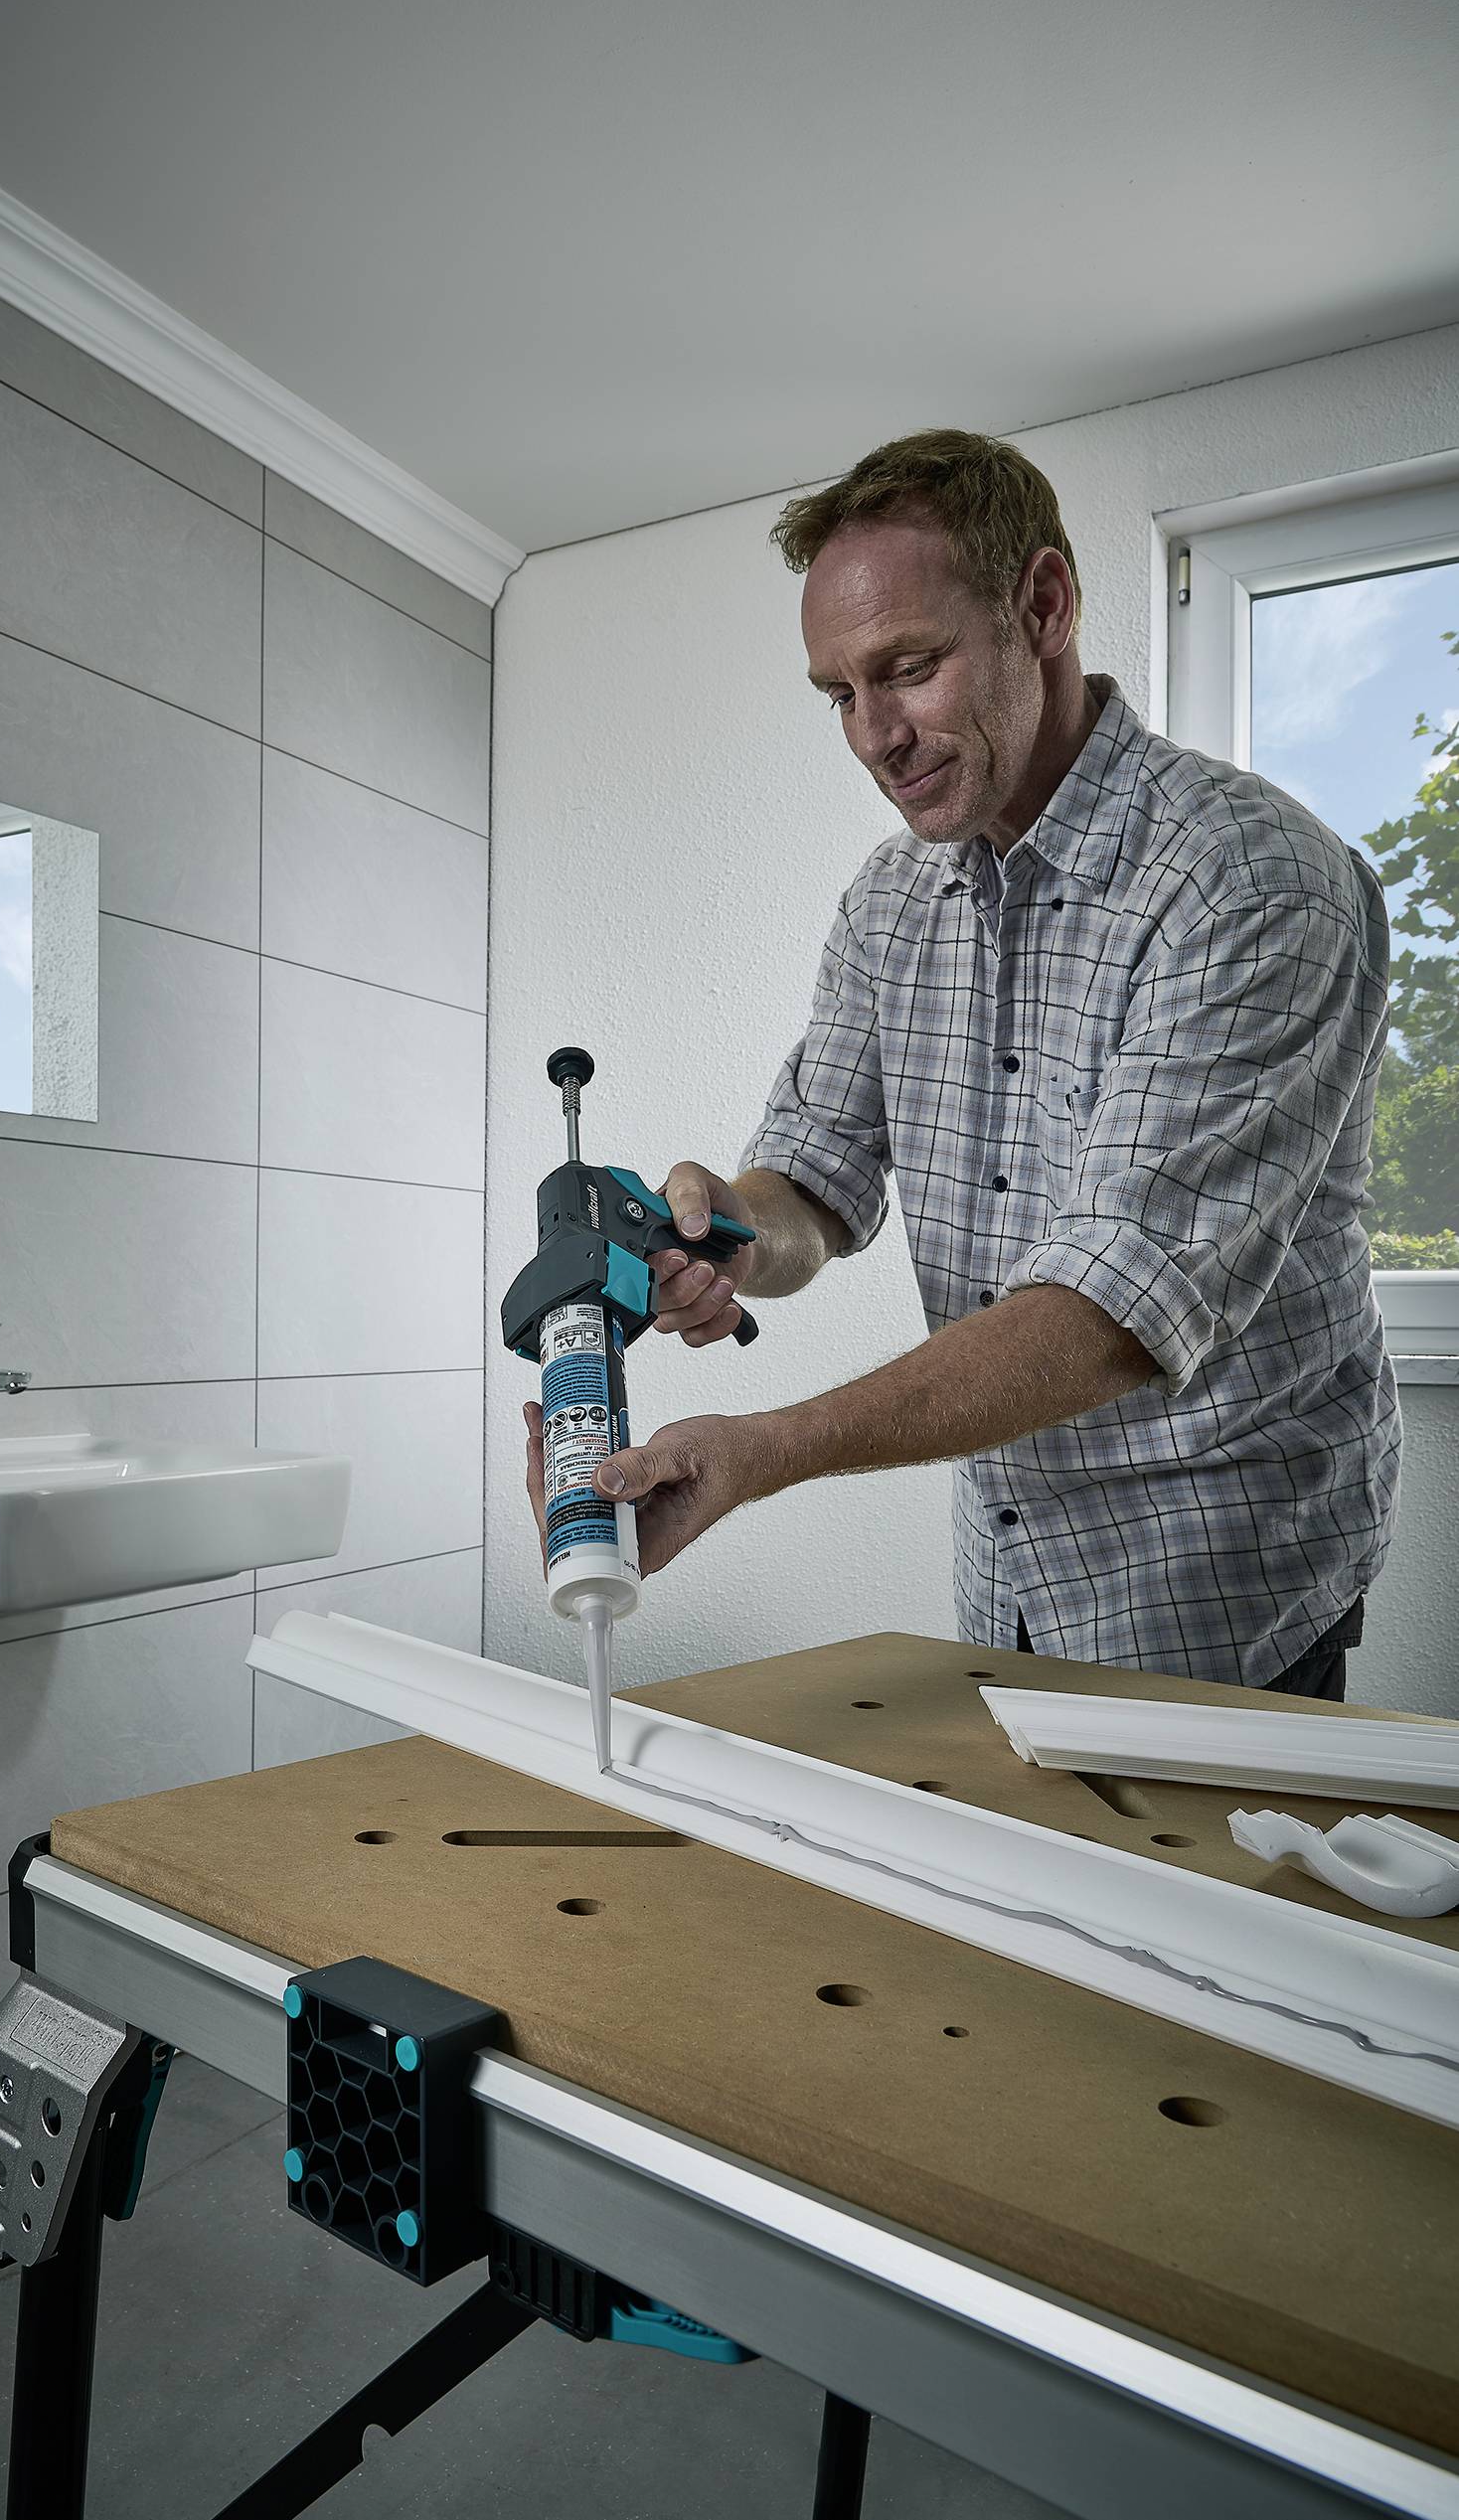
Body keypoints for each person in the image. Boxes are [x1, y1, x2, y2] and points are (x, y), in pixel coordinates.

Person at [522, 430, 1399, 1697]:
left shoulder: (1246, 881)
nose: (873, 733)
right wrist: (708, 1231)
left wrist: (766, 1449)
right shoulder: (892, 899)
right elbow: (813, 1185)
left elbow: (1109, 1314)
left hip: (1222, 1584)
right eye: (837, 692)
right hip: (1007, 1565)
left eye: (909, 667)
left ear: (1041, 605)